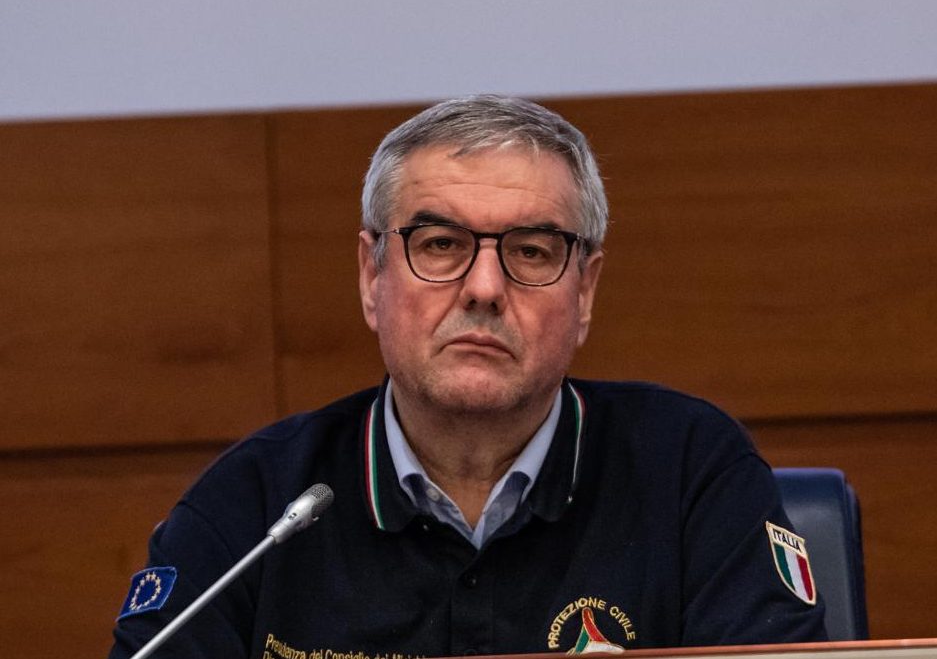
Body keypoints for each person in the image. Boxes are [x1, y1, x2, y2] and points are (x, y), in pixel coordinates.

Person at [109, 95, 826, 659]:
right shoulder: (255, 507)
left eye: (532, 251)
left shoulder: (690, 470)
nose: (484, 288)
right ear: (371, 277)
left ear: (584, 292)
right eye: (441, 244)